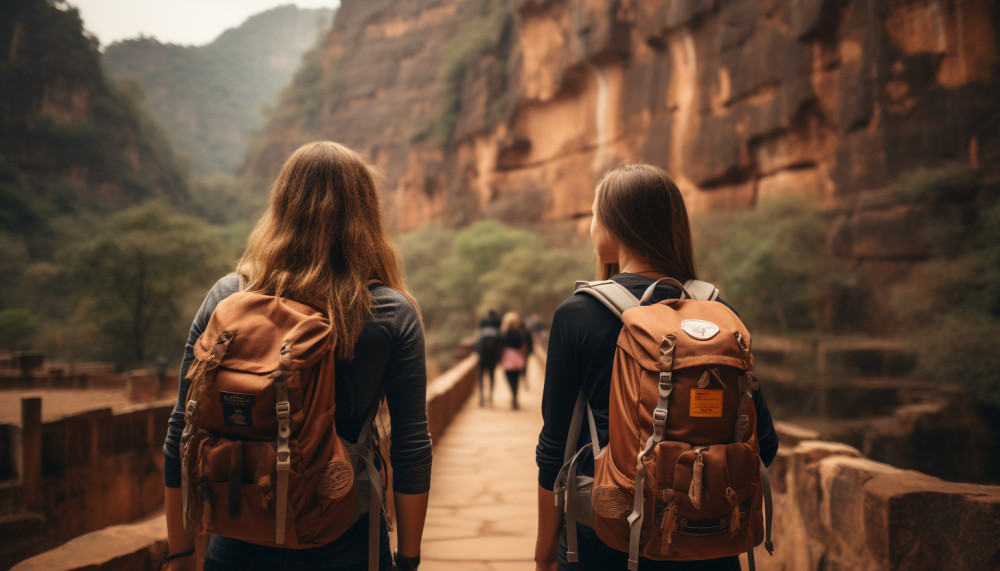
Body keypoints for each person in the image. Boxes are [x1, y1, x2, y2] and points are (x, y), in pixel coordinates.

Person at [161, 141, 431, 571]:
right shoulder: (389, 313)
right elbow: (412, 446)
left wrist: (179, 552)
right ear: (366, 214)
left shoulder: (228, 296)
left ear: (281, 206)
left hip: (237, 531)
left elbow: (182, 429)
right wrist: (409, 558)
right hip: (347, 539)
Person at [534, 164, 779, 571]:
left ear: (613, 226)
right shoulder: (720, 316)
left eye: (595, 215)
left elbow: (553, 453)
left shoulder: (577, 315)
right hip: (711, 546)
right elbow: (764, 443)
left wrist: (544, 556)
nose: (591, 226)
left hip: (607, 545)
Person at [500, 311, 528, 410]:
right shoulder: (519, 334)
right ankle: (515, 397)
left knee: (509, 377)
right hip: (517, 356)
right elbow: (523, 347)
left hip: (507, 356)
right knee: (516, 379)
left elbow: (501, 347)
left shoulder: (504, 334)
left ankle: (513, 395)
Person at [475, 309, 502, 406]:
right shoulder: (498, 323)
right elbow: (500, 343)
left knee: (481, 376)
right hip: (493, 356)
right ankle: (490, 396)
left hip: (482, 356)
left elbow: (477, 341)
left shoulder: (483, 322)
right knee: (491, 375)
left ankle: (481, 396)